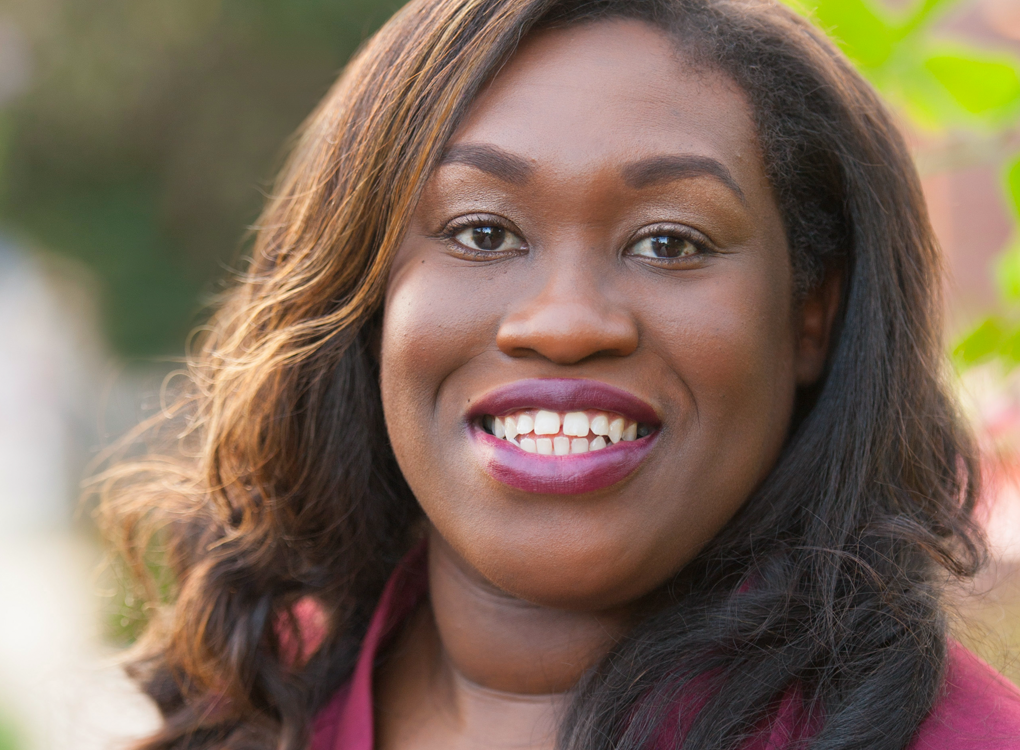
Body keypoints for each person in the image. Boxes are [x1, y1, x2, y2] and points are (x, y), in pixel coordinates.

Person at [97, 0, 1020, 748]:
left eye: (670, 242)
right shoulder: (250, 700)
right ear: (366, 293)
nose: (567, 324)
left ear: (810, 316)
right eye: (482, 232)